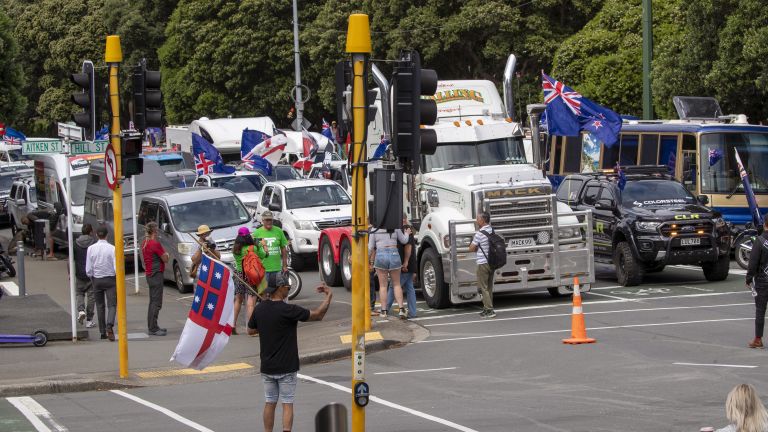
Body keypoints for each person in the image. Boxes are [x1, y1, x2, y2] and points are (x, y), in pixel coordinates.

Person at [247, 273, 332, 432]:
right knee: (287, 402)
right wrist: (329, 296)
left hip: (267, 366)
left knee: (270, 402)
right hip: (287, 366)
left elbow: (250, 330)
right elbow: (318, 315)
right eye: (287, 286)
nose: (289, 288)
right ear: (279, 288)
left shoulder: (260, 309)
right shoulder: (289, 310)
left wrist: (265, 324)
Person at [232, 227, 268, 334]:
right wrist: (263, 245)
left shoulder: (235, 249)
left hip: (239, 275)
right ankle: (251, 328)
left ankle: (232, 325)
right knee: (251, 302)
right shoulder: (253, 248)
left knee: (238, 300)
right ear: (248, 236)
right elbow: (263, 255)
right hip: (250, 275)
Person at [369, 225, 409, 319]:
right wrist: (407, 233)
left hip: (380, 254)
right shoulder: (395, 226)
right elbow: (404, 240)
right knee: (397, 284)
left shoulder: (374, 229)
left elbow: (370, 247)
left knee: (383, 285)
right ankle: (401, 309)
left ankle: (383, 311)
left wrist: (366, 258)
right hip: (394, 253)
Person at [86, 225, 117, 341]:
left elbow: (88, 269)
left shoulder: (91, 249)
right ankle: (110, 324)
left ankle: (102, 331)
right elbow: (115, 267)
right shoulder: (112, 248)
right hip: (110, 279)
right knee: (112, 304)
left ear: (96, 235)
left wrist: (92, 277)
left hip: (97, 279)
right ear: (107, 235)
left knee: (100, 306)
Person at [386, 215, 418, 319]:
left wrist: (405, 262)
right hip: (411, 263)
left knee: (394, 286)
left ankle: (385, 308)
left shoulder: (404, 229)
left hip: (405, 264)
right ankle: (412, 312)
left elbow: (408, 247)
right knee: (409, 287)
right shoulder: (408, 229)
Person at [142, 222, 169, 336]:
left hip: (150, 274)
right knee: (156, 302)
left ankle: (153, 325)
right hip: (156, 274)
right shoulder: (155, 244)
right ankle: (153, 328)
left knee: (153, 301)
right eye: (156, 230)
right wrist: (167, 254)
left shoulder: (145, 243)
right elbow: (165, 259)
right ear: (154, 231)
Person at [469, 210, 496, 318]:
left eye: (478, 219)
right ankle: (487, 308)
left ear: (483, 220)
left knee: (482, 287)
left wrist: (474, 247)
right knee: (488, 287)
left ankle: (489, 310)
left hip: (482, 263)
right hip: (492, 262)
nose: (476, 221)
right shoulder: (492, 231)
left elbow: (471, 248)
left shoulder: (479, 234)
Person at [746, 219, 768, 348]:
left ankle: (758, 340)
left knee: (760, 311)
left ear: (765, 224)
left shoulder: (759, 241)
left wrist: (749, 279)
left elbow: (753, 262)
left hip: (762, 281)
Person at [73, 224, 96, 328]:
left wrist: (70, 273)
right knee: (91, 296)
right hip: (91, 273)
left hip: (79, 273)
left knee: (79, 293)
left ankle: (81, 311)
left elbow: (71, 259)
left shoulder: (75, 243)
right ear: (90, 232)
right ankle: (89, 320)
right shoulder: (94, 243)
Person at [253, 211, 288, 279]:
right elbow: (254, 250)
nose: (269, 222)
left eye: (270, 220)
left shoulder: (279, 231)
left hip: (277, 268)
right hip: (263, 269)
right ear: (262, 220)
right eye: (267, 220)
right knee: (264, 289)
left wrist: (284, 265)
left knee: (279, 289)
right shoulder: (257, 232)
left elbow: (283, 249)